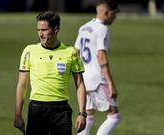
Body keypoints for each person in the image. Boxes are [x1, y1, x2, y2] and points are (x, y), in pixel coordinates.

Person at [14, 11, 87, 135]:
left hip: (61, 111)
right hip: (37, 110)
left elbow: (80, 84)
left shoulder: (71, 52)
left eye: (44, 30)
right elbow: (22, 84)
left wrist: (82, 113)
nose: (40, 34)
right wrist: (18, 115)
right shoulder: (29, 51)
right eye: (38, 30)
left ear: (56, 29)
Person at [74, 0, 120, 135]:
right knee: (114, 116)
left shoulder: (84, 27)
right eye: (114, 13)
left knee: (88, 115)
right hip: (98, 80)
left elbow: (75, 52)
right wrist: (110, 83)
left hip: (83, 79)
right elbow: (101, 56)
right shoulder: (103, 29)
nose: (115, 17)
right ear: (107, 13)